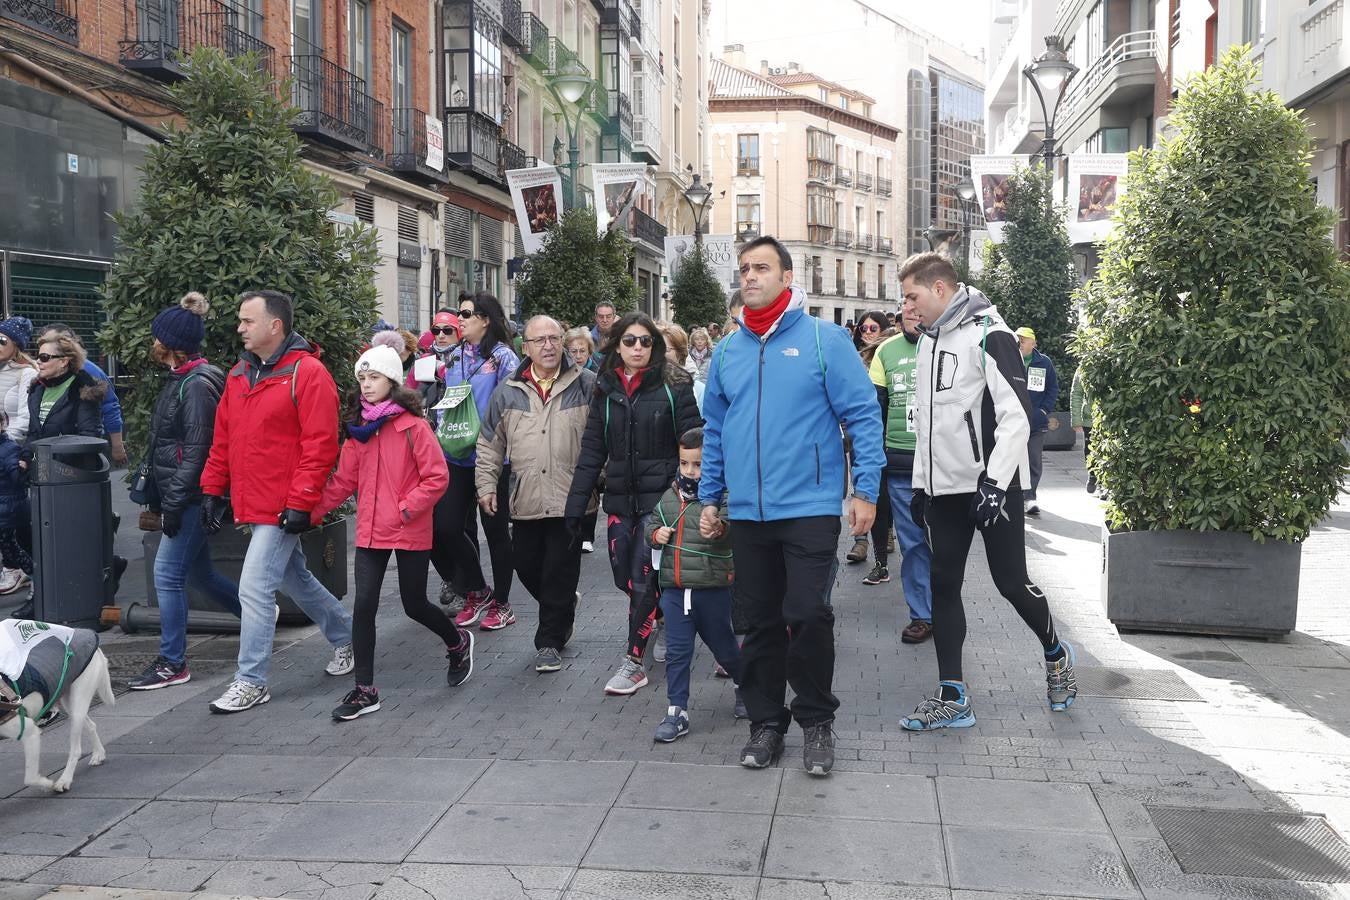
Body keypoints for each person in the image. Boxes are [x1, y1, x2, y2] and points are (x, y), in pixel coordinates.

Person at [700, 236, 884, 776]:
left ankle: (817, 722)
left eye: (761, 268)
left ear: (786, 276)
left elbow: (864, 417)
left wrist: (866, 490)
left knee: (806, 613)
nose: (750, 276)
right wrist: (710, 497)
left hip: (809, 505)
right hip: (749, 512)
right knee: (757, 622)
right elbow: (715, 430)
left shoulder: (825, 340)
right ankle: (766, 724)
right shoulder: (728, 350)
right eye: (744, 269)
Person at [899, 252, 1076, 731]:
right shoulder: (928, 342)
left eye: (912, 296)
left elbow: (1017, 415)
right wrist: (920, 484)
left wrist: (995, 485)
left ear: (939, 288)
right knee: (943, 583)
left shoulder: (989, 333)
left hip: (991, 485)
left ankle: (1056, 652)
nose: (907, 307)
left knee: (1010, 582)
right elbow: (926, 424)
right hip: (943, 490)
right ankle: (953, 696)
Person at [199, 290, 355, 714]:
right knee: (294, 579)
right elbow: (224, 439)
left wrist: (303, 500)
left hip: (283, 505)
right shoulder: (238, 375)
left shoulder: (309, 373)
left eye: (248, 321)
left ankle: (251, 680)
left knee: (254, 588)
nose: (240, 328)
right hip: (257, 502)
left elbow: (320, 444)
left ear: (275, 326)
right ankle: (348, 637)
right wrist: (213, 489)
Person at [311, 346, 472, 721]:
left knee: (413, 604)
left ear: (393, 381)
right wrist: (309, 513)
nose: (366, 385)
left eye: (375, 378)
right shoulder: (358, 431)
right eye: (362, 379)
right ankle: (365, 690)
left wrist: (405, 507)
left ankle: (457, 641)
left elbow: (437, 478)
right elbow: (343, 482)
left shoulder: (413, 426)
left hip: (407, 527)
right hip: (370, 531)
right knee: (363, 607)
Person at [566, 312, 701, 696]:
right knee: (623, 577)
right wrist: (577, 505)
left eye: (645, 341)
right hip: (620, 501)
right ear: (617, 346)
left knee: (642, 580)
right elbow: (593, 448)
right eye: (630, 341)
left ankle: (633, 662)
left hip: (660, 504)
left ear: (655, 346)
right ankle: (659, 616)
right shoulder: (605, 389)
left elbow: (694, 442)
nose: (638, 347)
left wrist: (690, 495)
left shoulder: (675, 386)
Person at [127, 293, 242, 690]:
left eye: (156, 336)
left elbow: (197, 450)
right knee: (201, 574)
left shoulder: (195, 385)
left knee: (167, 575)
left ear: (169, 344)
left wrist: (173, 503)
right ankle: (259, 617)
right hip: (185, 494)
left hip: (191, 497)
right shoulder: (187, 379)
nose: (151, 341)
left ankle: (172, 663)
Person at [476, 316, 596, 672]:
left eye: (553, 338)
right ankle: (560, 606)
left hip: (571, 498)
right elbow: (489, 445)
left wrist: (598, 479)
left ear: (562, 341)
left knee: (560, 569)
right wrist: (485, 485)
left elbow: (603, 438)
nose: (547, 345)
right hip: (525, 497)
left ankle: (549, 641)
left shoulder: (588, 384)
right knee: (525, 564)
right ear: (524, 347)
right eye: (538, 340)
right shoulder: (508, 391)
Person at [647, 427, 745, 742]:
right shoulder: (668, 497)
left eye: (699, 465)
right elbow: (653, 521)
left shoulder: (725, 496)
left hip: (711, 589)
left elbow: (731, 532)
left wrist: (717, 529)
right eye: (685, 463)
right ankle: (677, 711)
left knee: (726, 649)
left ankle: (746, 686)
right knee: (677, 651)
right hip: (675, 590)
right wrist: (655, 535)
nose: (691, 471)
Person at [441, 293, 519, 633]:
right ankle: (478, 589)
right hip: (456, 454)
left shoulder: (503, 358)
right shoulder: (454, 355)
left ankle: (502, 602)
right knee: (445, 527)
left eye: (466, 314)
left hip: (491, 457)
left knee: (496, 531)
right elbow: (448, 399)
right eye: (459, 314)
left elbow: (510, 405)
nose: (460, 319)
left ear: (486, 319)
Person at [867, 297, 933, 644]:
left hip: (946, 468)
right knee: (913, 544)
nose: (911, 310)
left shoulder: (950, 345)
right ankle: (922, 614)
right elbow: (873, 411)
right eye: (905, 304)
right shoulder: (886, 351)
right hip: (902, 468)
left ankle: (945, 609)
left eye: (917, 302)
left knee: (944, 545)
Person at [410, 309, 469, 608]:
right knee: (434, 525)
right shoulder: (423, 362)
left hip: (461, 450)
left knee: (457, 525)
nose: (442, 336)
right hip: (427, 449)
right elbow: (407, 397)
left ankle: (466, 586)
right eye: (437, 330)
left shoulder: (468, 359)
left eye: (449, 330)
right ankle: (452, 577)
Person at [845, 310, 895, 578]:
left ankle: (884, 532)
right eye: (862, 329)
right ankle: (860, 540)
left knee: (882, 489)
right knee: (862, 485)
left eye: (872, 328)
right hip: (858, 432)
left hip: (884, 431)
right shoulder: (852, 358)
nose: (866, 333)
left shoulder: (888, 353)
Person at [36, 324, 126, 467]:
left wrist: (117, 446)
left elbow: (110, 408)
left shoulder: (88, 371)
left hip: (78, 457)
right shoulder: (42, 380)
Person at [0, 317, 36, 596]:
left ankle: (25, 567)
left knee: (12, 513)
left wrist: (7, 444)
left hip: (9, 448)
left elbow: (25, 416)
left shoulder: (27, 373)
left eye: (3, 340)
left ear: (17, 346)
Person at [1014, 327, 1058, 517]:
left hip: (1036, 423)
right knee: (1012, 460)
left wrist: (1043, 410)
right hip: (1013, 421)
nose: (1020, 343)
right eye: (1018, 340)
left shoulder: (1044, 362)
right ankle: (1014, 497)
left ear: (1033, 343)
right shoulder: (1010, 360)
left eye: (1024, 340)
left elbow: (1053, 388)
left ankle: (1029, 497)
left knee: (1034, 461)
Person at [563, 327, 600, 552]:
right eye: (573, 351)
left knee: (589, 487)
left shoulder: (594, 377)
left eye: (582, 351)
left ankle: (587, 534)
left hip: (588, 437)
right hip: (568, 438)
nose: (577, 356)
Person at [1070, 366, 1097, 495]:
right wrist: (1076, 420)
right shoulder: (1084, 367)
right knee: (1089, 450)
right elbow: (1076, 393)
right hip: (1089, 419)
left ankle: (1104, 482)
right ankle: (1092, 475)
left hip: (1107, 417)